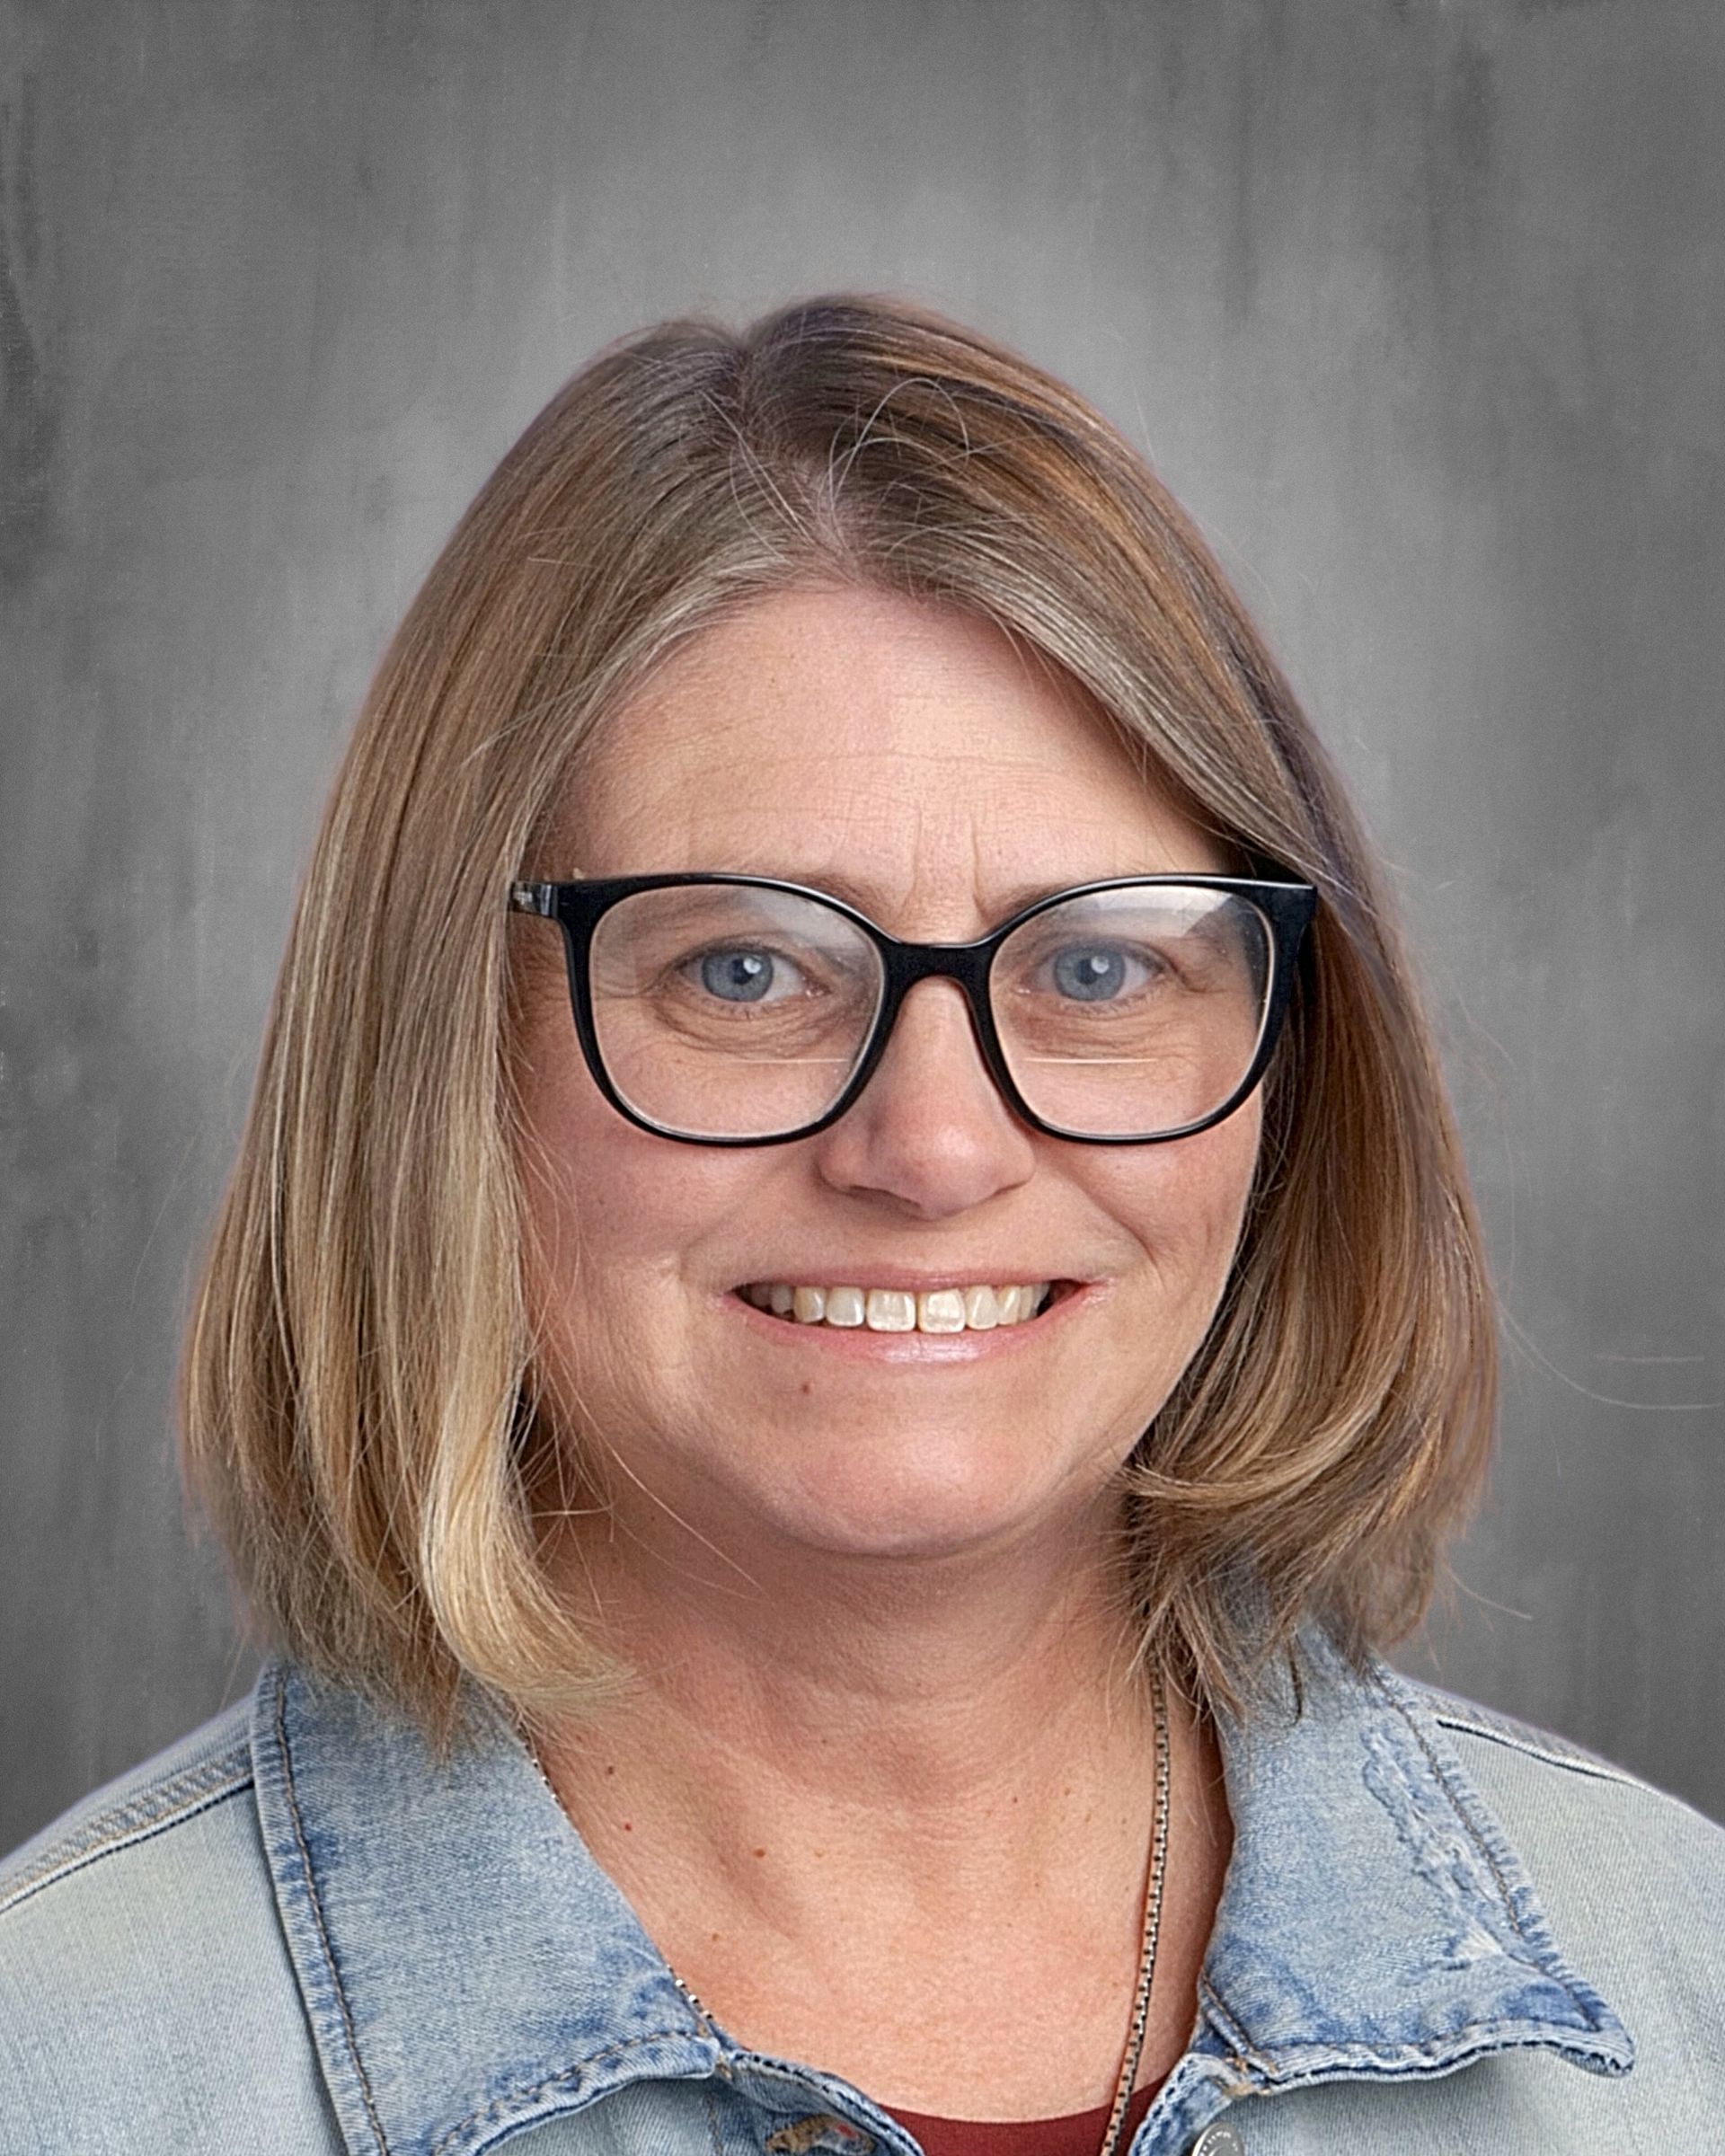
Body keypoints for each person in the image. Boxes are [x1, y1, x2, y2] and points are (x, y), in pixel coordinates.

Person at [1, 296, 1719, 2156]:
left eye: (1097, 964)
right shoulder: (73, 2073)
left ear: (1293, 1070)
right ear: (442, 1064)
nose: (933, 1144)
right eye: (744, 969)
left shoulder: (1682, 2005)